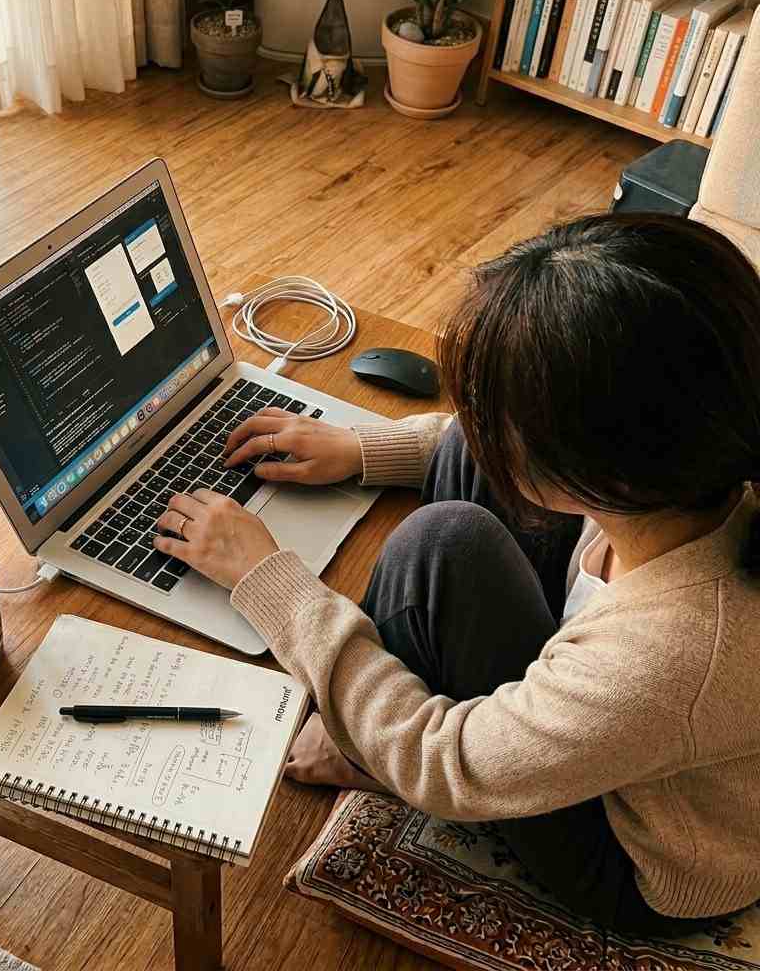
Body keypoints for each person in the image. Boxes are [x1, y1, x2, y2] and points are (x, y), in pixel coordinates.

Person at [152, 213, 760, 937]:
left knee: (439, 543)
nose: (473, 420)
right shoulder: (699, 467)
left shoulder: (677, 647)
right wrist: (364, 447)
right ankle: (377, 713)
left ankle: (364, 743)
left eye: (502, 415)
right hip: (627, 718)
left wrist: (267, 580)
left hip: (634, 852)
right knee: (463, 474)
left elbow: (444, 762)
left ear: (600, 462)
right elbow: (475, 440)